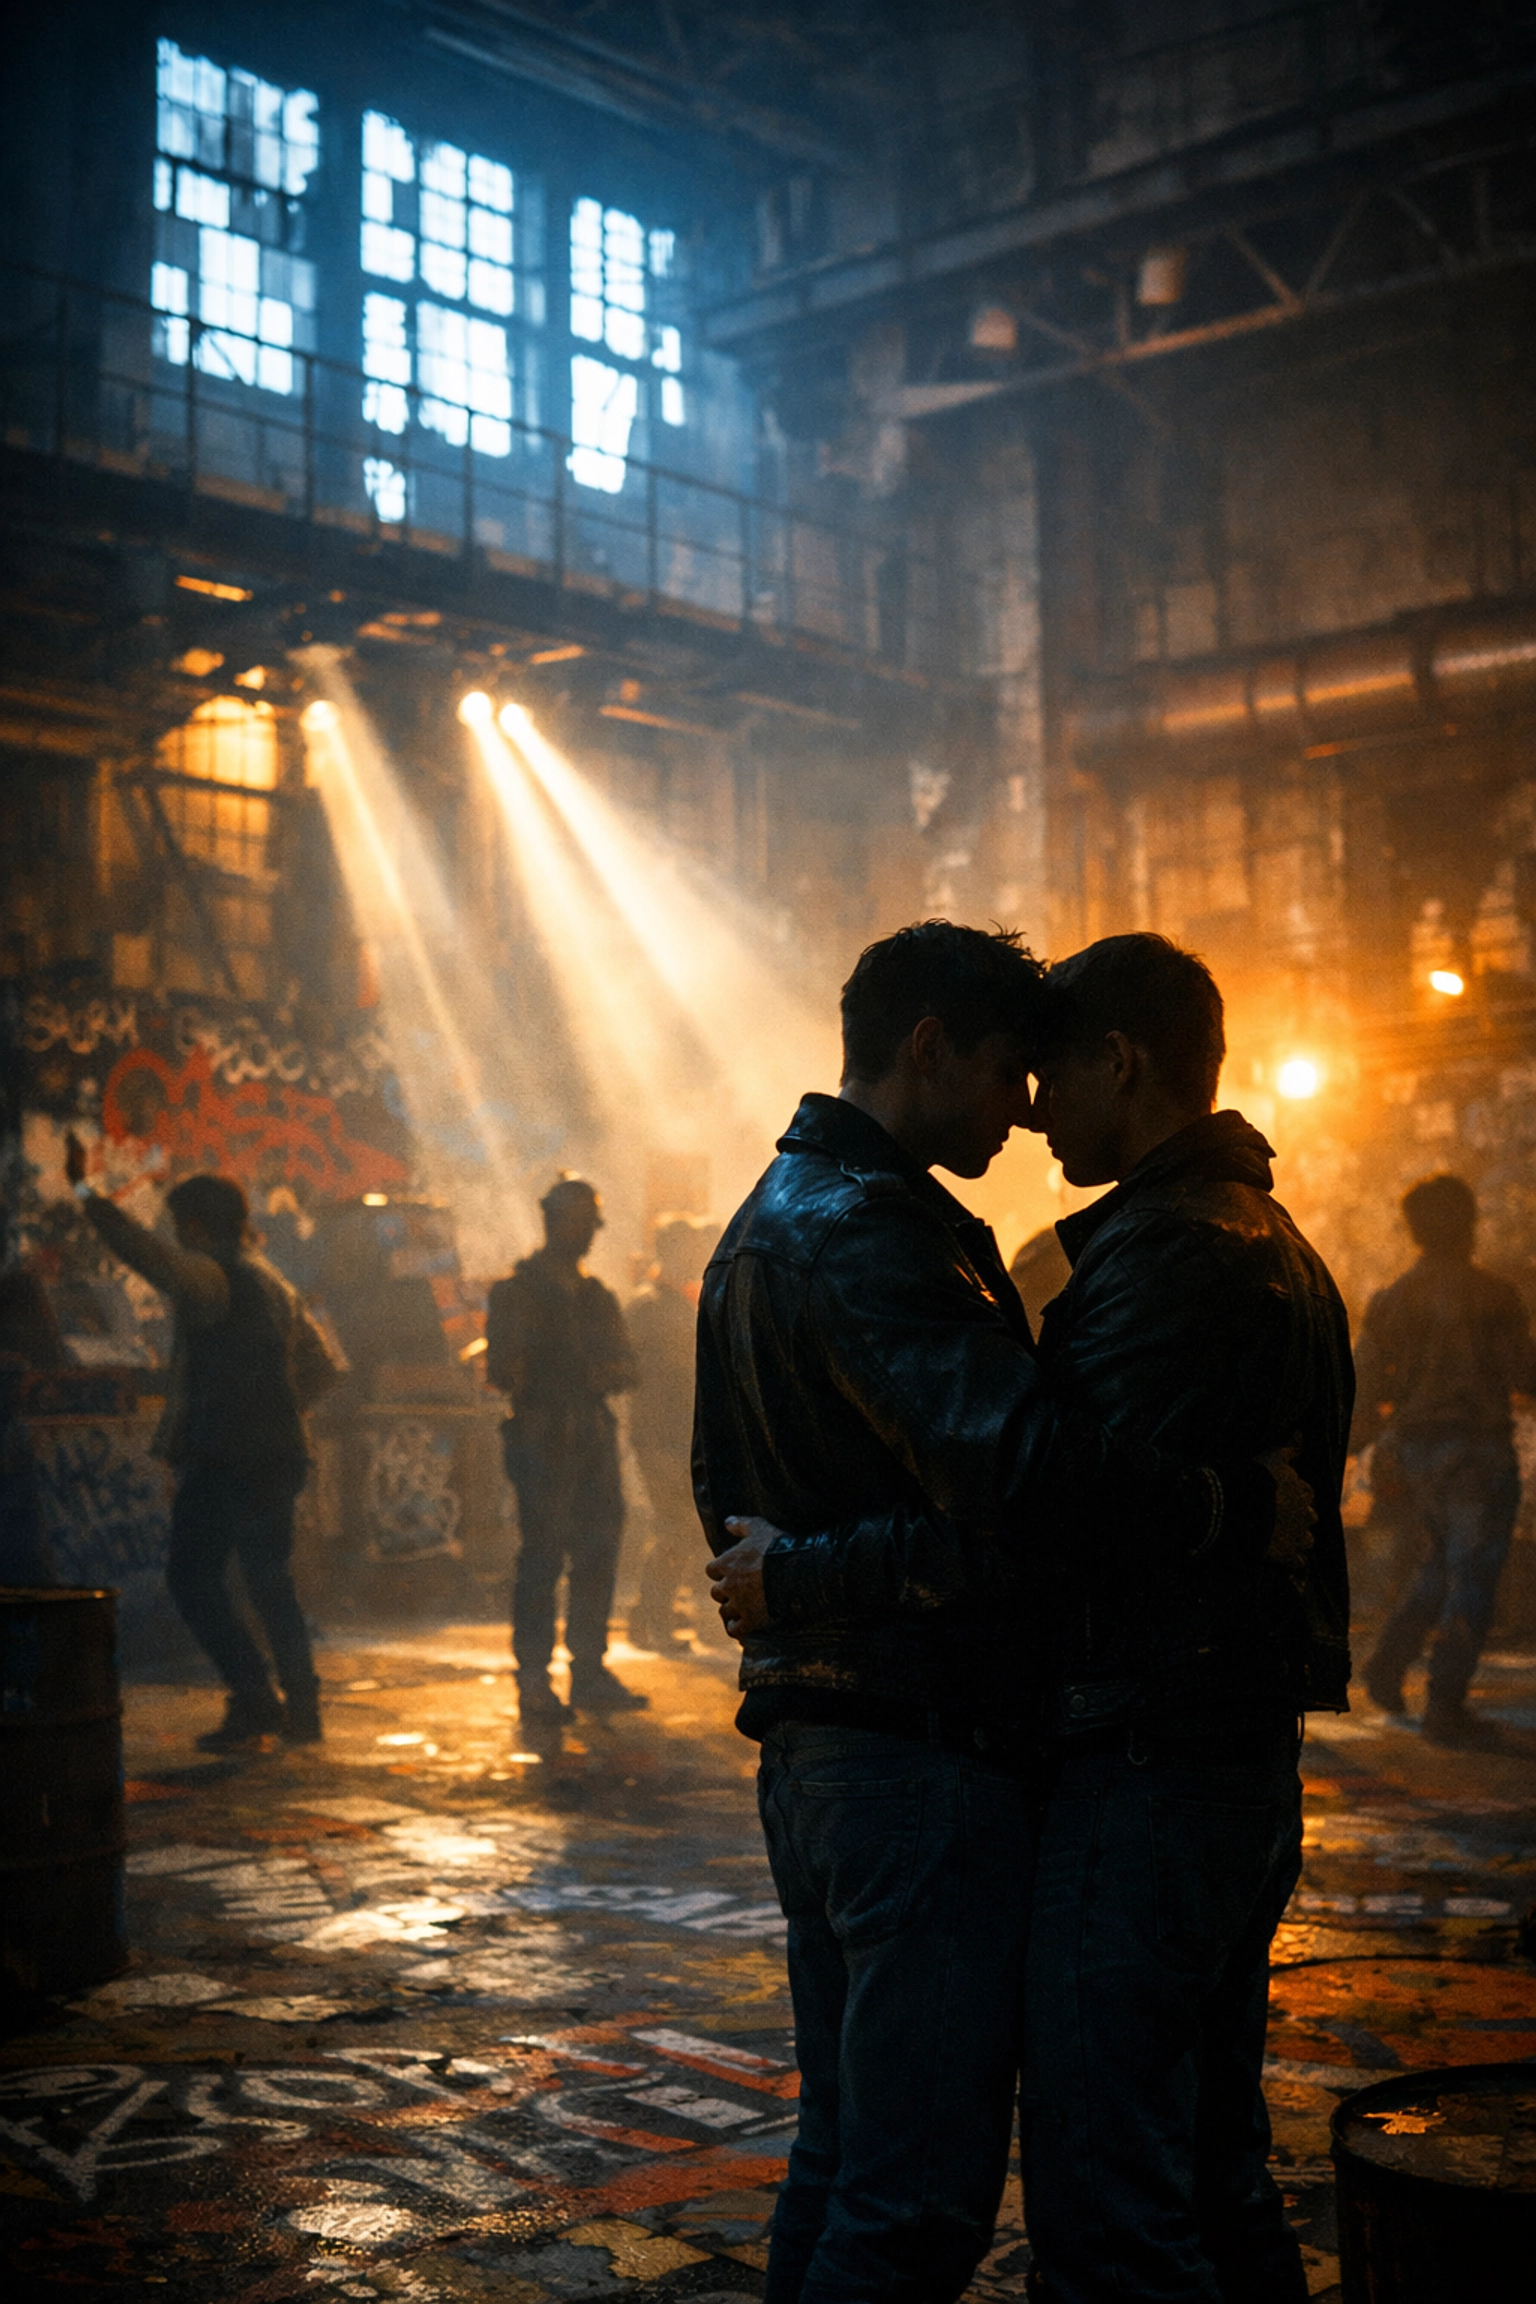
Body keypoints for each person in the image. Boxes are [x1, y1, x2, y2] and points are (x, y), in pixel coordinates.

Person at [715, 934, 1351, 2304]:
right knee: (947, 2195)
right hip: (928, 1753)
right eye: (1013, 1073)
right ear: (933, 1047)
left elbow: (1037, 1502)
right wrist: (1229, 1508)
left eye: (1047, 1075)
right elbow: (1033, 1486)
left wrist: (800, 1580)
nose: (1025, 1111)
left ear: (1121, 1062)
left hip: (1095, 1752)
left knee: (960, 2181)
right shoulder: (870, 1228)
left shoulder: (1159, 1247)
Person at [64, 1134, 344, 1750]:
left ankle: (253, 1697)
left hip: (227, 1459)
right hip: (278, 1455)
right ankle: (302, 1710)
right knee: (271, 1582)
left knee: (192, 1578)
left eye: (176, 1224)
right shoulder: (273, 1282)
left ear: (193, 1224)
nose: (172, 1235)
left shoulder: (211, 1276)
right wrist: (278, 1411)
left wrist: (86, 1191)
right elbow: (324, 1367)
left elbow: (144, 1255)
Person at [1357, 1172, 1536, 1749]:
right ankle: (1445, 1704)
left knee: (1438, 1566)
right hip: (1476, 1456)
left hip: (1413, 1453)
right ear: (1466, 1224)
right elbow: (1525, 1375)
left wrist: (1371, 1451)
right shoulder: (1494, 1296)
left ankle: (1388, 1665)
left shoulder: (1390, 1301)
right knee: (1475, 1576)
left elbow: (1366, 1390)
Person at [485, 1173, 644, 1720]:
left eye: (590, 1222)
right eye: (579, 1220)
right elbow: (504, 1369)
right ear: (554, 1220)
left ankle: (588, 1670)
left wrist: (597, 1371)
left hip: (591, 1436)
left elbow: (627, 1366)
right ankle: (533, 1679)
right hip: (543, 1436)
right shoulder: (517, 1291)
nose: (588, 1233)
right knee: (543, 1557)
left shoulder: (597, 1296)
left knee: (598, 1552)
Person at [627, 1213, 719, 1653]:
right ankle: (650, 1621)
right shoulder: (649, 1307)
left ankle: (656, 1620)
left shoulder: (676, 1305)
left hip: (680, 1436)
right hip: (661, 1437)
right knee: (676, 1529)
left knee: (684, 1529)